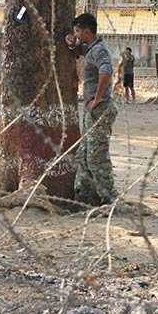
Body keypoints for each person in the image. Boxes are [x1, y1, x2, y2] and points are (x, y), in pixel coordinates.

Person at [65, 13, 118, 208]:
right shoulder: (91, 48)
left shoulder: (99, 51)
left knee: (96, 156)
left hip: (100, 109)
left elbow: (106, 72)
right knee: (83, 154)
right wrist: (72, 44)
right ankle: (83, 196)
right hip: (91, 109)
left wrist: (97, 98)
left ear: (87, 30)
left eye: (78, 31)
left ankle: (110, 198)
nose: (76, 34)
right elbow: (80, 50)